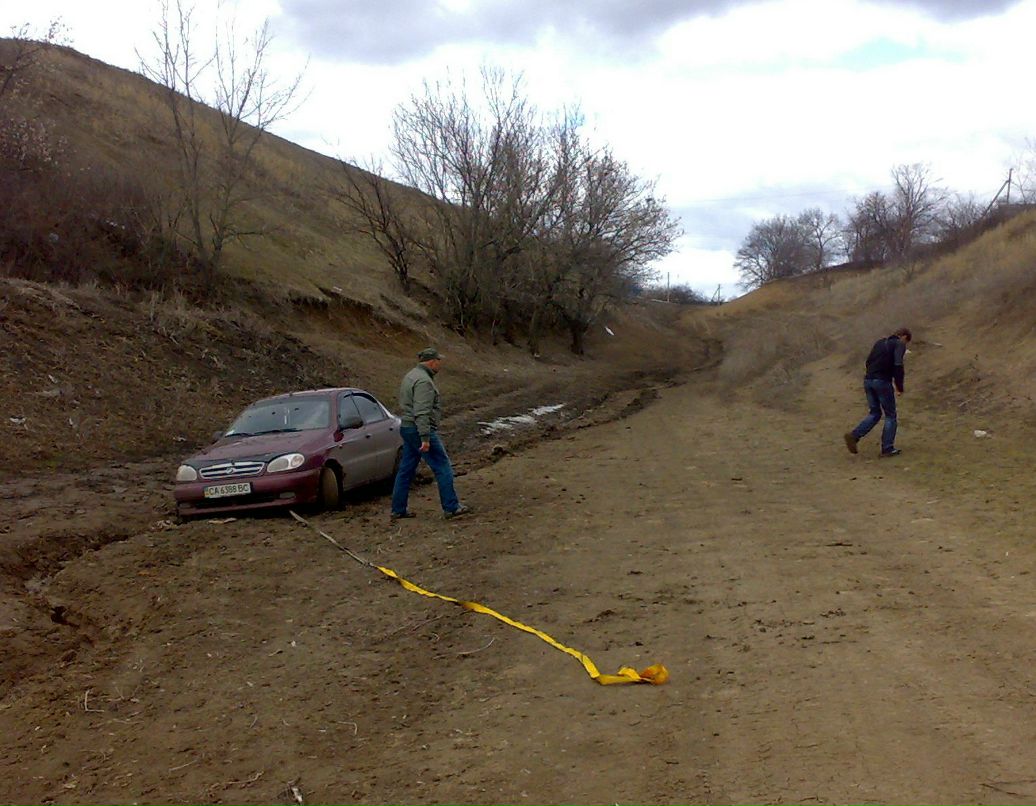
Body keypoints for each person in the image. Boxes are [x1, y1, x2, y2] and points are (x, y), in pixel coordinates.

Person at [390, 347, 471, 520]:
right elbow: (421, 411)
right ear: (432, 361)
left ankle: (398, 509)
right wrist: (425, 438)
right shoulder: (424, 382)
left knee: (406, 469)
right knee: (442, 466)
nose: (440, 364)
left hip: (407, 427)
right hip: (419, 430)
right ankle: (451, 507)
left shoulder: (410, 375)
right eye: (438, 361)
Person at [844, 327, 912, 458]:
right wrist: (899, 386)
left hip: (868, 380)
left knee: (875, 413)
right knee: (890, 415)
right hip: (882, 382)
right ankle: (887, 448)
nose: (905, 345)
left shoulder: (879, 343)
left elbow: (868, 361)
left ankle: (854, 436)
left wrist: (872, 374)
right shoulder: (899, 344)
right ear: (903, 337)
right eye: (906, 341)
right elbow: (898, 365)